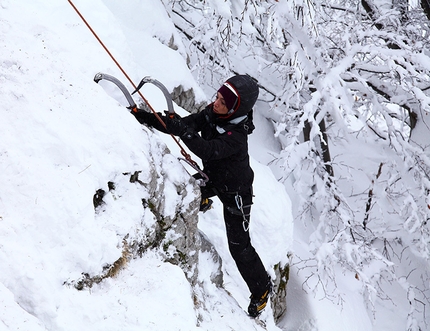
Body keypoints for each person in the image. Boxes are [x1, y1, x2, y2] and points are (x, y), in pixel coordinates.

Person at [131, 75, 272, 317]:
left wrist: (183, 131)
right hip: (213, 178)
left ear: (236, 109)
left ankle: (261, 289)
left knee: (239, 247)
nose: (216, 103)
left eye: (223, 102)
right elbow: (187, 124)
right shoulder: (214, 114)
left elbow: (208, 149)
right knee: (187, 190)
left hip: (235, 193)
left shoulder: (237, 136)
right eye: (217, 97)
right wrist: (144, 116)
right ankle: (205, 196)